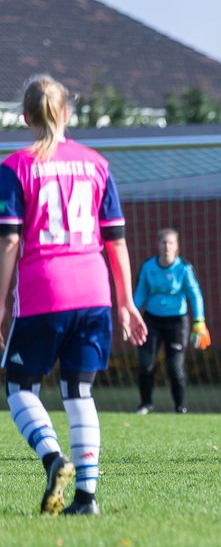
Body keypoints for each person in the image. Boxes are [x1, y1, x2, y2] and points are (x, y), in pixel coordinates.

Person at [0, 74, 148, 516]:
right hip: (95, 289)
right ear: (67, 113)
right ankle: (87, 498)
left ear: (25, 117)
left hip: (44, 287)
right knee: (79, 391)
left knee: (20, 387)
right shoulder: (98, 164)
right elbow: (116, 241)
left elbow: (8, 242)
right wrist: (125, 302)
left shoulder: (14, 167)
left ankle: (52, 458)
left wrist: (1, 301)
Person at [134, 227, 210, 414]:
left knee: (174, 367)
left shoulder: (183, 268)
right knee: (146, 363)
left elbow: (195, 295)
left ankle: (179, 407)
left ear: (177, 247)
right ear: (158, 245)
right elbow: (140, 293)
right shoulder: (148, 267)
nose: (167, 246)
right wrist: (132, 316)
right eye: (163, 242)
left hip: (177, 322)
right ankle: (145, 403)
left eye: (171, 243)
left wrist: (199, 321)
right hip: (151, 320)